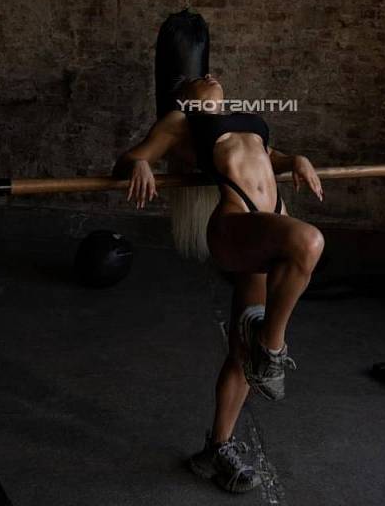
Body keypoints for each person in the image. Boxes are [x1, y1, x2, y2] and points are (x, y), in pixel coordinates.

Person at [113, 73, 325, 494]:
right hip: (236, 226)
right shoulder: (181, 120)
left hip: (267, 229)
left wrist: (295, 159)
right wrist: (139, 163)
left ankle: (217, 449)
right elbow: (128, 160)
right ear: (185, 96)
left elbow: (265, 156)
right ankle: (272, 349)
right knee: (309, 240)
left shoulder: (244, 119)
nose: (209, 75)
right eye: (198, 77)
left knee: (241, 353)